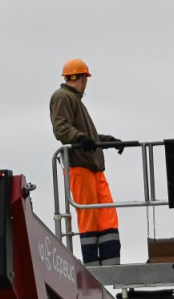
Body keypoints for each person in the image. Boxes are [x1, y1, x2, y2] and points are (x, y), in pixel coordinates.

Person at [49, 57, 121, 266]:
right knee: (89, 215)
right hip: (80, 166)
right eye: (85, 78)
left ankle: (110, 263)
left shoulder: (74, 100)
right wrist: (80, 138)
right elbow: (61, 128)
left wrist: (108, 141)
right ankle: (92, 264)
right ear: (81, 78)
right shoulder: (63, 96)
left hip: (93, 168)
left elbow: (90, 136)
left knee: (106, 214)